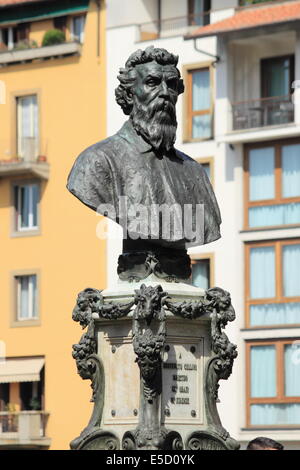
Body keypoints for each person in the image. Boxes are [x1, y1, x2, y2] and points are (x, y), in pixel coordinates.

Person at [67, 46, 221, 254]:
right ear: (130, 95)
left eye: (172, 85)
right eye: (152, 83)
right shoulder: (98, 161)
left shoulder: (194, 171)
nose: (165, 93)